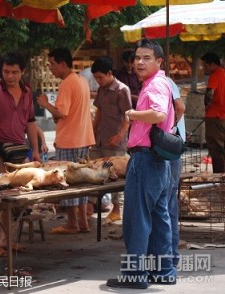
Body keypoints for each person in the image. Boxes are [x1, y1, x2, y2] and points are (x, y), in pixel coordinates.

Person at [107, 39, 177, 289]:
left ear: (159, 61)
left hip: (146, 159)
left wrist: (132, 114)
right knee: (159, 218)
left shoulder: (156, 83)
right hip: (157, 160)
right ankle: (164, 271)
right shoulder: (158, 82)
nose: (139, 62)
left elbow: (158, 114)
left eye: (146, 57)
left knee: (137, 219)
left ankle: (135, 276)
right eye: (137, 57)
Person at [0, 52, 41, 257]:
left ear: (22, 72)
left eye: (14, 72)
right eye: (6, 71)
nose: (10, 76)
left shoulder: (27, 93)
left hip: (18, 154)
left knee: (15, 199)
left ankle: (7, 241)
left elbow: (30, 122)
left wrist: (36, 150)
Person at [37, 47, 95, 234]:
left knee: (68, 181)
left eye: (53, 64)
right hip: (83, 137)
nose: (51, 68)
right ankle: (83, 222)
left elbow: (62, 112)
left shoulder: (68, 83)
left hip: (70, 139)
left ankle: (72, 223)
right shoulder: (82, 81)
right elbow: (67, 113)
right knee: (83, 181)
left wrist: (45, 103)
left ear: (62, 64)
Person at [90, 56, 132, 223]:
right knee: (95, 171)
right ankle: (93, 205)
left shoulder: (123, 90)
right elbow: (98, 112)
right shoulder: (102, 90)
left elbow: (129, 116)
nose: (98, 81)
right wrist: (91, 132)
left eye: (100, 77)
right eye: (96, 78)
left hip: (115, 141)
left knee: (116, 175)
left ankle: (117, 208)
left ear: (109, 73)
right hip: (99, 139)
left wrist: (120, 136)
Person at [166, 77, 186, 268]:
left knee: (167, 203)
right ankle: (169, 256)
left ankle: (169, 257)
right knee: (168, 202)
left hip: (169, 150)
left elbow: (180, 107)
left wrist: (169, 131)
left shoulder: (163, 82)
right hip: (171, 149)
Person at [201, 52, 225, 173]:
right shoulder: (223, 73)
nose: (204, 68)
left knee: (216, 148)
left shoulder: (215, 75)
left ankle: (219, 177)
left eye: (205, 65)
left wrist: (206, 105)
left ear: (212, 64)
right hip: (222, 116)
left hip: (214, 116)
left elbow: (210, 93)